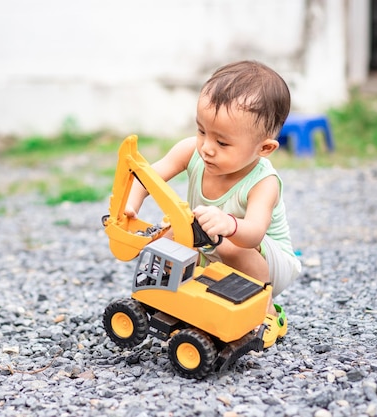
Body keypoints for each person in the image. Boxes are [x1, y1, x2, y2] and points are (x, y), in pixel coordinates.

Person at [125, 60, 301, 347]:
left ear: (264, 148)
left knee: (227, 244)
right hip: (212, 242)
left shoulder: (263, 182)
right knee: (168, 236)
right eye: (202, 131)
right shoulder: (192, 152)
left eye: (223, 143)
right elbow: (149, 178)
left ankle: (267, 312)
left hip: (266, 261)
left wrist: (229, 224)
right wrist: (131, 205)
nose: (207, 147)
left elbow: (255, 232)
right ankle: (172, 299)